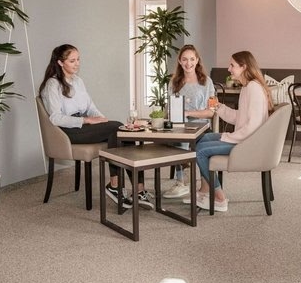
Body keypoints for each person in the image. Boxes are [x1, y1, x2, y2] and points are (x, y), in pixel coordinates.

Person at [39, 44, 152, 210]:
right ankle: (116, 186)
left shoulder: (78, 81)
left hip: (82, 126)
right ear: (60, 62)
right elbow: (55, 118)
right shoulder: (52, 84)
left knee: (122, 131)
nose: (77, 64)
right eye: (72, 61)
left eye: (78, 59)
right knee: (118, 128)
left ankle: (137, 189)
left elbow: (90, 107)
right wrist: (86, 120)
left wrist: (102, 120)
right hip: (67, 131)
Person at [183, 50, 272, 212]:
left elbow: (253, 126)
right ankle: (205, 190)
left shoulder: (253, 88)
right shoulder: (247, 87)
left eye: (232, 65)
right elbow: (240, 118)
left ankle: (220, 197)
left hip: (248, 143)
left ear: (243, 67)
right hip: (245, 139)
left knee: (200, 151)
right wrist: (219, 107)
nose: (229, 69)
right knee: (203, 139)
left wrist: (229, 137)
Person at [163, 44, 216, 199]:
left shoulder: (207, 82)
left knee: (183, 141)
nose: (188, 63)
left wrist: (187, 113)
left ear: (197, 60)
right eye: (185, 59)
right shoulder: (174, 82)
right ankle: (183, 182)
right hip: (180, 126)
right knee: (175, 138)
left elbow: (211, 112)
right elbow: (169, 108)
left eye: (192, 59)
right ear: (180, 61)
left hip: (201, 127)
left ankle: (183, 182)